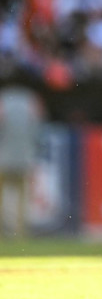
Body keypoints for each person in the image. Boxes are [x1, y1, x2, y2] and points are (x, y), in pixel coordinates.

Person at [0, 80, 44, 238]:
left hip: (3, 157)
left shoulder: (3, 100)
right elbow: (37, 128)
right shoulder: (32, 100)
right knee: (22, 198)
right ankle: (21, 232)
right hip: (25, 156)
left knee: (3, 195)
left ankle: (4, 231)